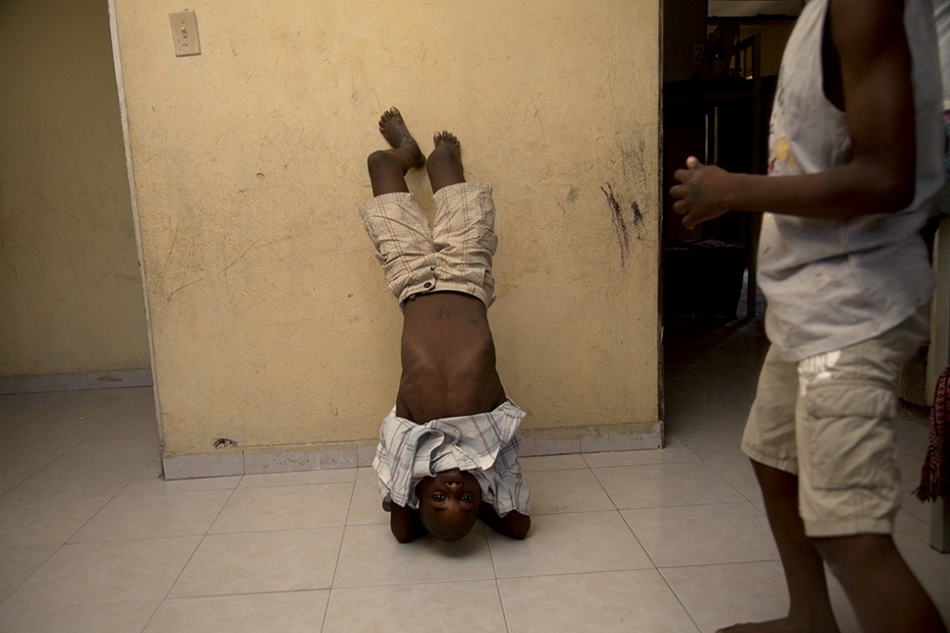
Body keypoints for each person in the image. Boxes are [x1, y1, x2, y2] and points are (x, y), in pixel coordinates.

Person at [670, 1, 948, 632]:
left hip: (851, 308)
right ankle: (810, 619)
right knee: (773, 458)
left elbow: (887, 177)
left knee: (849, 531)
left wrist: (732, 190)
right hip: (810, 302)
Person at [360, 107, 531, 543]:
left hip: (412, 278)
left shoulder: (409, 437)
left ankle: (405, 151)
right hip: (466, 273)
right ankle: (432, 156)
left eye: (440, 500)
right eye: (466, 500)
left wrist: (410, 501)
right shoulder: (491, 437)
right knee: (444, 162)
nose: (454, 492)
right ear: (481, 492)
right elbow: (518, 525)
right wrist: (492, 508)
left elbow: (401, 531)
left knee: (379, 164)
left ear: (419, 493)